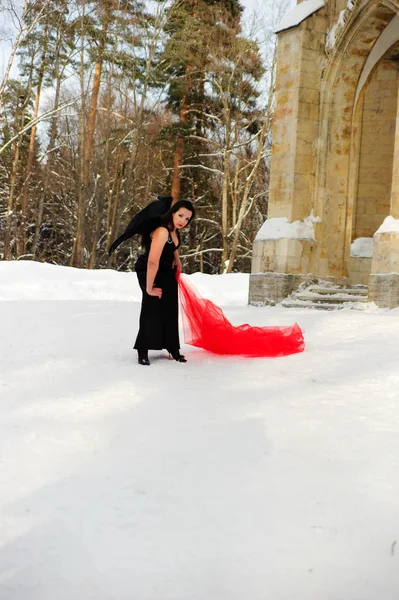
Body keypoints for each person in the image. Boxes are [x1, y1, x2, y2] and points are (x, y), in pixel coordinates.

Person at [133, 200, 195, 366]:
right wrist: (149, 288)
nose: (183, 220)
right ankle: (143, 350)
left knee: (170, 306)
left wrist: (178, 260)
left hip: (166, 270)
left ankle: (173, 347)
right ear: (173, 212)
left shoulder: (174, 230)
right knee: (151, 306)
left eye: (187, 219)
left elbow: (173, 247)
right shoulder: (162, 231)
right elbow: (152, 261)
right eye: (181, 215)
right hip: (150, 270)